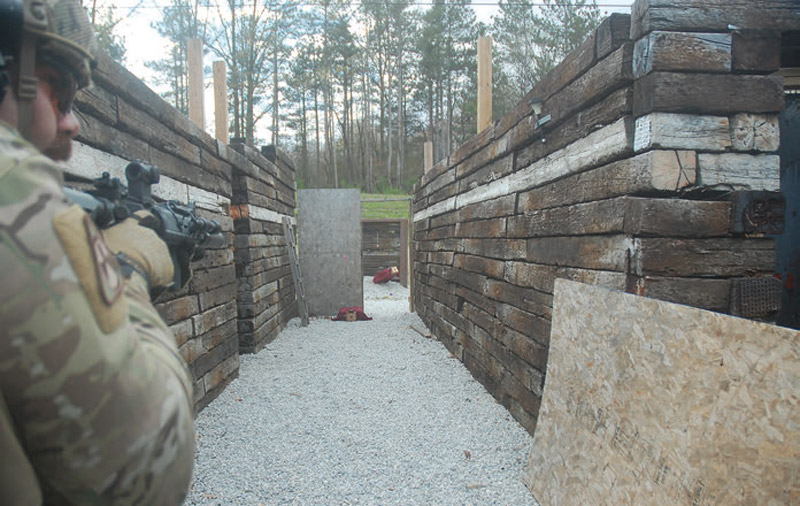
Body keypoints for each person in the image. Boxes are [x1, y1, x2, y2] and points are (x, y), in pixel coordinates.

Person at [0, 0, 195, 504]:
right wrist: (124, 271)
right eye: (59, 91)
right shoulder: (13, 188)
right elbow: (148, 469)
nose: (73, 123)